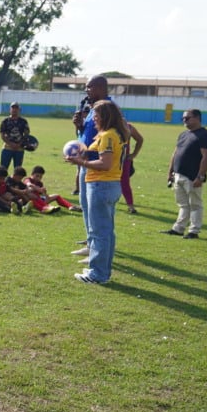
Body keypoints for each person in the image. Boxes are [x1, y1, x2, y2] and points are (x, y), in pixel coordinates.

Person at [66, 100, 126, 284]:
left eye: (97, 116)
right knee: (106, 231)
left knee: (99, 231)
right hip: (110, 185)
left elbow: (105, 164)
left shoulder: (108, 135)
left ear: (105, 116)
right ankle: (102, 270)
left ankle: (97, 274)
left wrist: (80, 163)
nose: (94, 119)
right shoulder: (115, 133)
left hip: (101, 185)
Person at [71, 76, 111, 257]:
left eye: (90, 87)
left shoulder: (107, 109)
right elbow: (86, 135)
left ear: (102, 88)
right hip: (85, 163)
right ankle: (91, 241)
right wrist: (79, 126)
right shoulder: (92, 108)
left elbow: (111, 135)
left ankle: (97, 249)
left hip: (97, 166)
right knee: (86, 205)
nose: (87, 91)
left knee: (97, 212)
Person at [164, 109, 207, 239]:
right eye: (183, 118)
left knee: (195, 205)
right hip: (178, 175)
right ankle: (178, 228)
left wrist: (200, 176)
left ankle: (194, 231)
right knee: (183, 204)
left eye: (188, 118)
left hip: (192, 176)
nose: (184, 121)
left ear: (198, 118)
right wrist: (170, 171)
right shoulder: (183, 135)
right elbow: (175, 153)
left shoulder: (205, 135)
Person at [120, 121, 144, 214]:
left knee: (124, 182)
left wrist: (133, 154)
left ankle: (130, 206)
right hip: (109, 158)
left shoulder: (128, 127)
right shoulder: (107, 124)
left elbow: (140, 139)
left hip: (124, 159)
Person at [0, 102, 29, 171]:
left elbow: (26, 134)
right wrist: (11, 144)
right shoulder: (5, 121)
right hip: (7, 148)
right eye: (13, 108)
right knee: (3, 169)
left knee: (18, 170)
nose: (14, 110)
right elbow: (2, 134)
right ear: (10, 109)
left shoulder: (23, 121)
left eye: (16, 108)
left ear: (19, 110)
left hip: (19, 148)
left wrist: (19, 144)